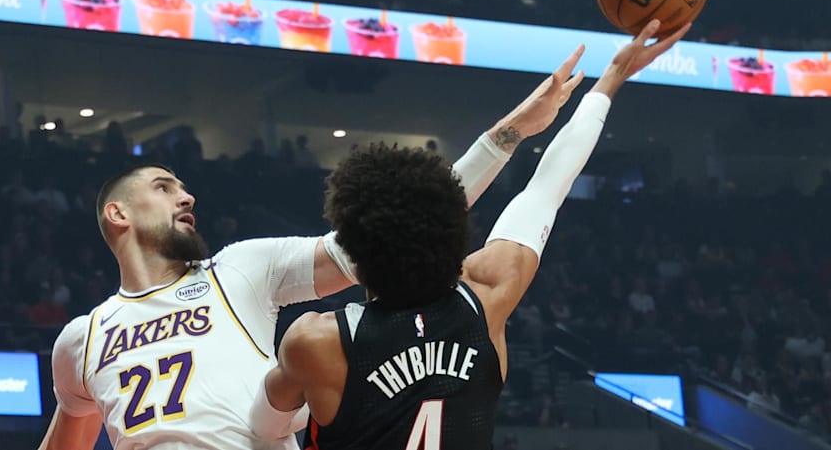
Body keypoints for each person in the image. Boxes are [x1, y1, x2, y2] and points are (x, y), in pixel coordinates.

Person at [36, 46, 592, 450]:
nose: (186, 195)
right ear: (118, 214)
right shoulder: (81, 339)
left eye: (182, 186)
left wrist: (507, 135)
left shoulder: (238, 269)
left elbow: (399, 223)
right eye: (163, 187)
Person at [249, 20, 691, 449]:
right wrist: (611, 78)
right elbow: (546, 189)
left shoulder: (317, 341)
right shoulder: (488, 297)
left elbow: (264, 429)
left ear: (354, 258)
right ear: (452, 233)